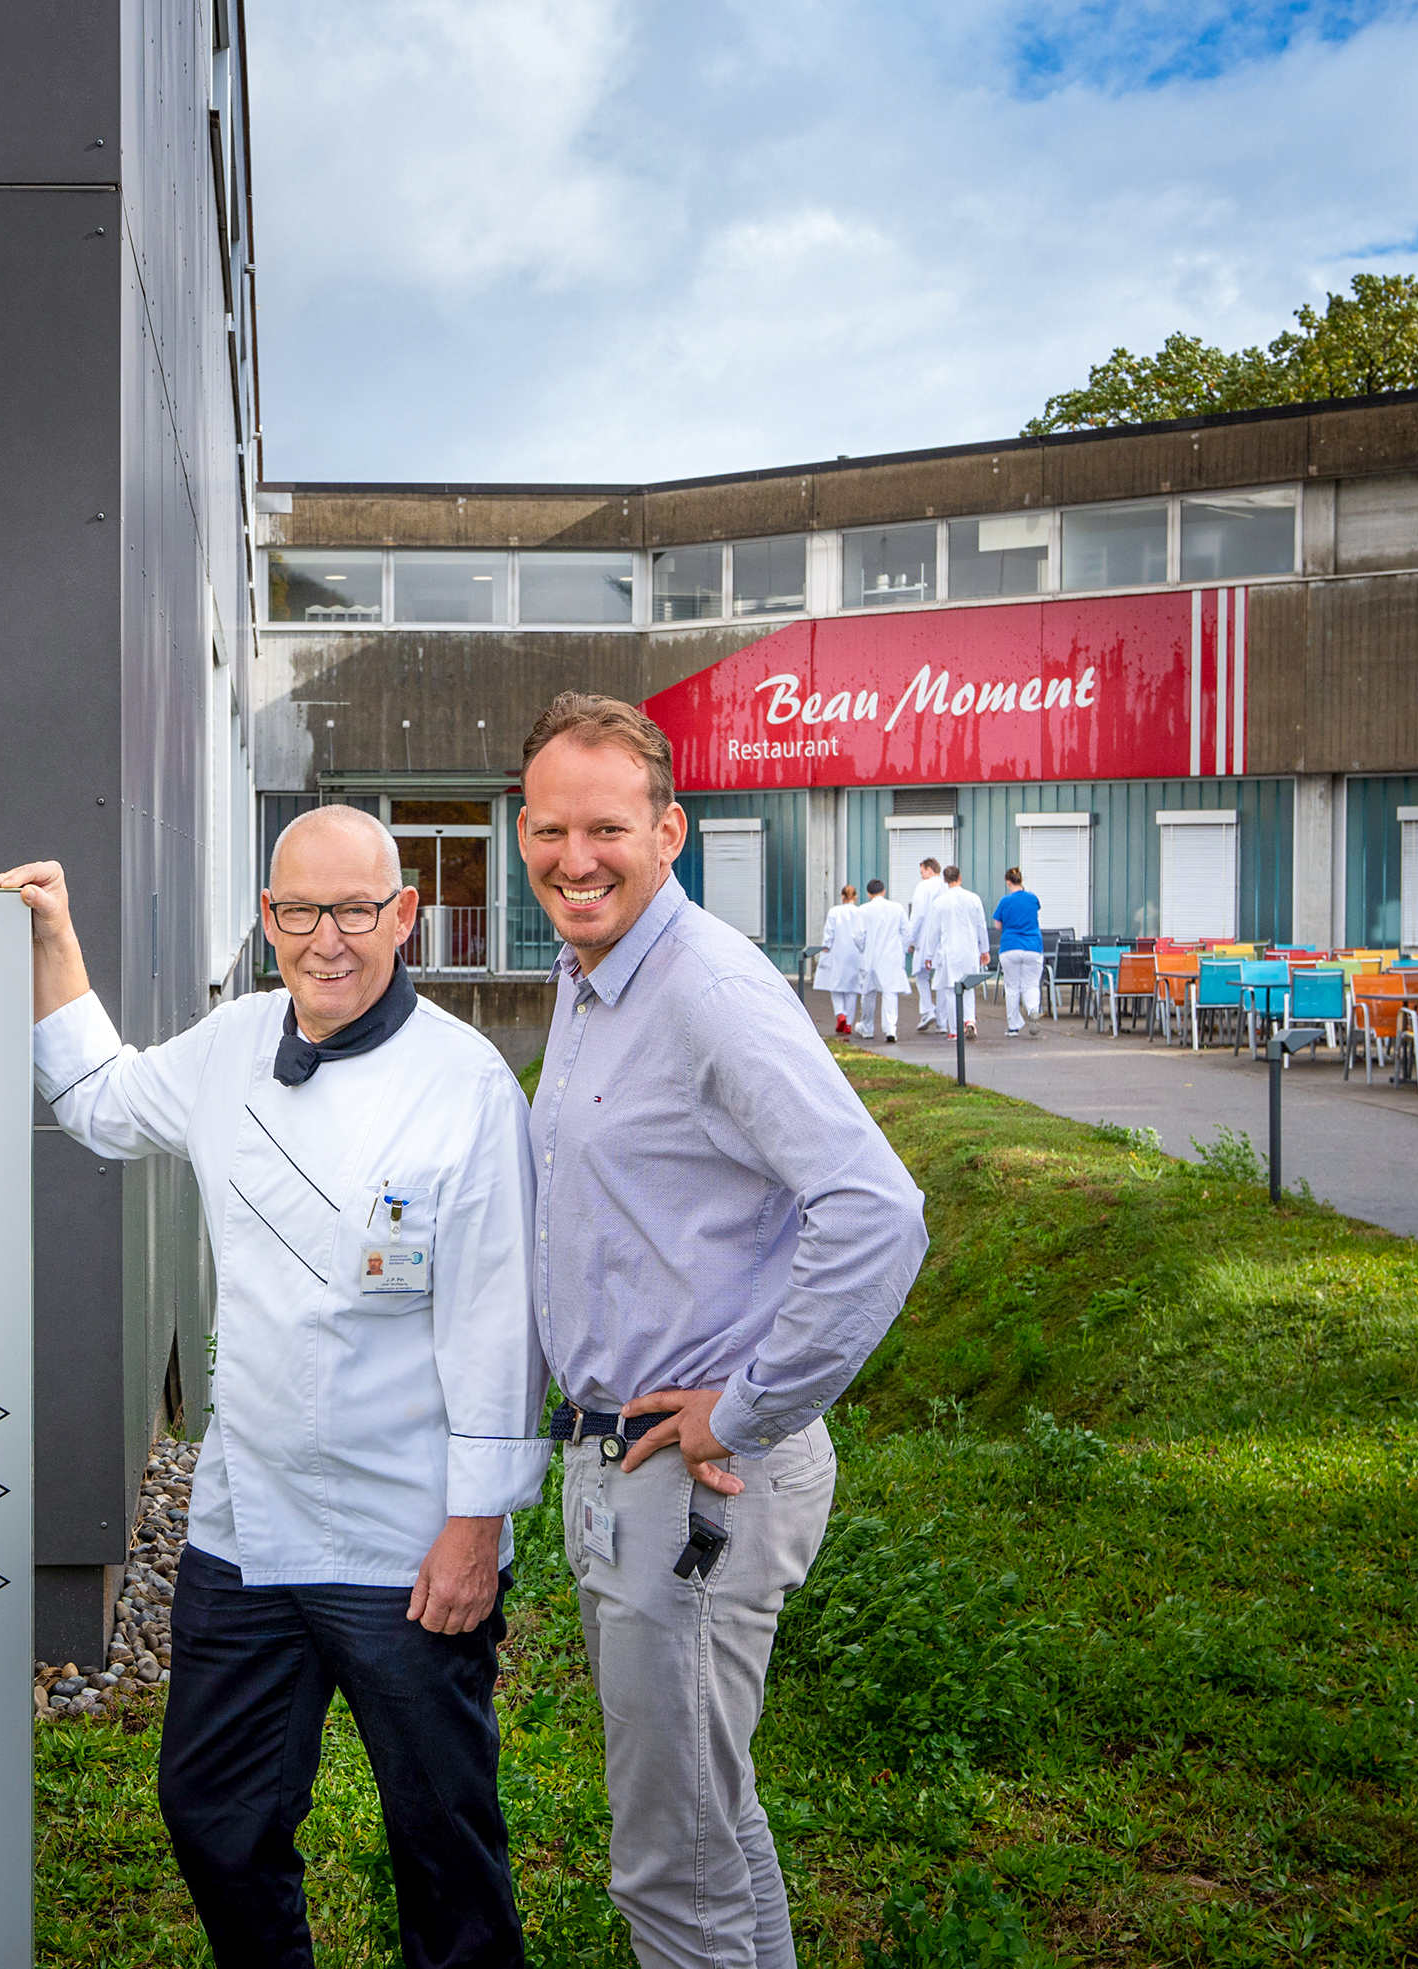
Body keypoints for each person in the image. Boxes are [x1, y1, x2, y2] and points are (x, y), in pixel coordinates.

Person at [0, 810, 548, 1969]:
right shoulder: (232, 1043)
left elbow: (498, 1322)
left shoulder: (467, 1084)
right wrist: (54, 939)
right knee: (212, 1812)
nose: (326, 938)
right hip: (245, 1526)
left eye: (354, 910)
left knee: (442, 1839)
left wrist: (475, 1527)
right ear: (267, 918)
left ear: (404, 916)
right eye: (299, 911)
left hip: (403, 1538)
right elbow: (99, 1099)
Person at [514, 693, 930, 1969]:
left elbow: (874, 1211)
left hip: (695, 1482)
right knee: (709, 1817)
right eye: (547, 829)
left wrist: (744, 1406)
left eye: (605, 828)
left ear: (669, 831)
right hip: (626, 1466)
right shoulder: (594, 976)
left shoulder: (705, 988)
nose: (573, 858)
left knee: (668, 1864)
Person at [916, 863, 991, 1039]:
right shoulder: (974, 899)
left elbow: (934, 931)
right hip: (970, 951)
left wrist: (928, 954)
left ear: (944, 880)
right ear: (960, 878)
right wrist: (984, 950)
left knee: (950, 991)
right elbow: (981, 926)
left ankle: (955, 1031)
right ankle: (970, 1020)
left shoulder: (940, 902)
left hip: (949, 952)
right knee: (968, 987)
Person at [991, 868, 1046, 1038]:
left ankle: (1013, 1026)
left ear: (1008, 882)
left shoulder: (1005, 901)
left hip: (1010, 946)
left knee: (1012, 987)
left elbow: (997, 925)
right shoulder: (1032, 898)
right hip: (1033, 947)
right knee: (1031, 985)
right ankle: (1033, 1010)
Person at [857, 877, 912, 1043]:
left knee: (868, 994)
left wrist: (864, 950)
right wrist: (902, 950)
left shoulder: (863, 909)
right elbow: (907, 932)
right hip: (891, 958)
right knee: (890, 993)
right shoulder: (897, 908)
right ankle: (890, 1029)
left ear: (869, 894)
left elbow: (858, 936)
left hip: (870, 958)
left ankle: (867, 1028)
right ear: (884, 891)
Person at [815, 883, 869, 1036]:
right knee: (852, 988)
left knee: (835, 985)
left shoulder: (834, 911)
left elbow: (829, 931)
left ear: (842, 896)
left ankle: (840, 1014)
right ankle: (849, 1024)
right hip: (855, 952)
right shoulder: (860, 912)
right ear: (855, 896)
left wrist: (826, 946)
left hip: (837, 952)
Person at [905, 858, 946, 1029]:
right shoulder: (946, 886)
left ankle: (928, 1010)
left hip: (926, 937)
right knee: (943, 980)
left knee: (921, 975)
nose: (921, 876)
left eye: (922, 872)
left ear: (929, 870)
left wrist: (909, 938)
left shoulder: (923, 887)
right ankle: (943, 1022)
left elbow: (918, 915)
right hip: (943, 939)